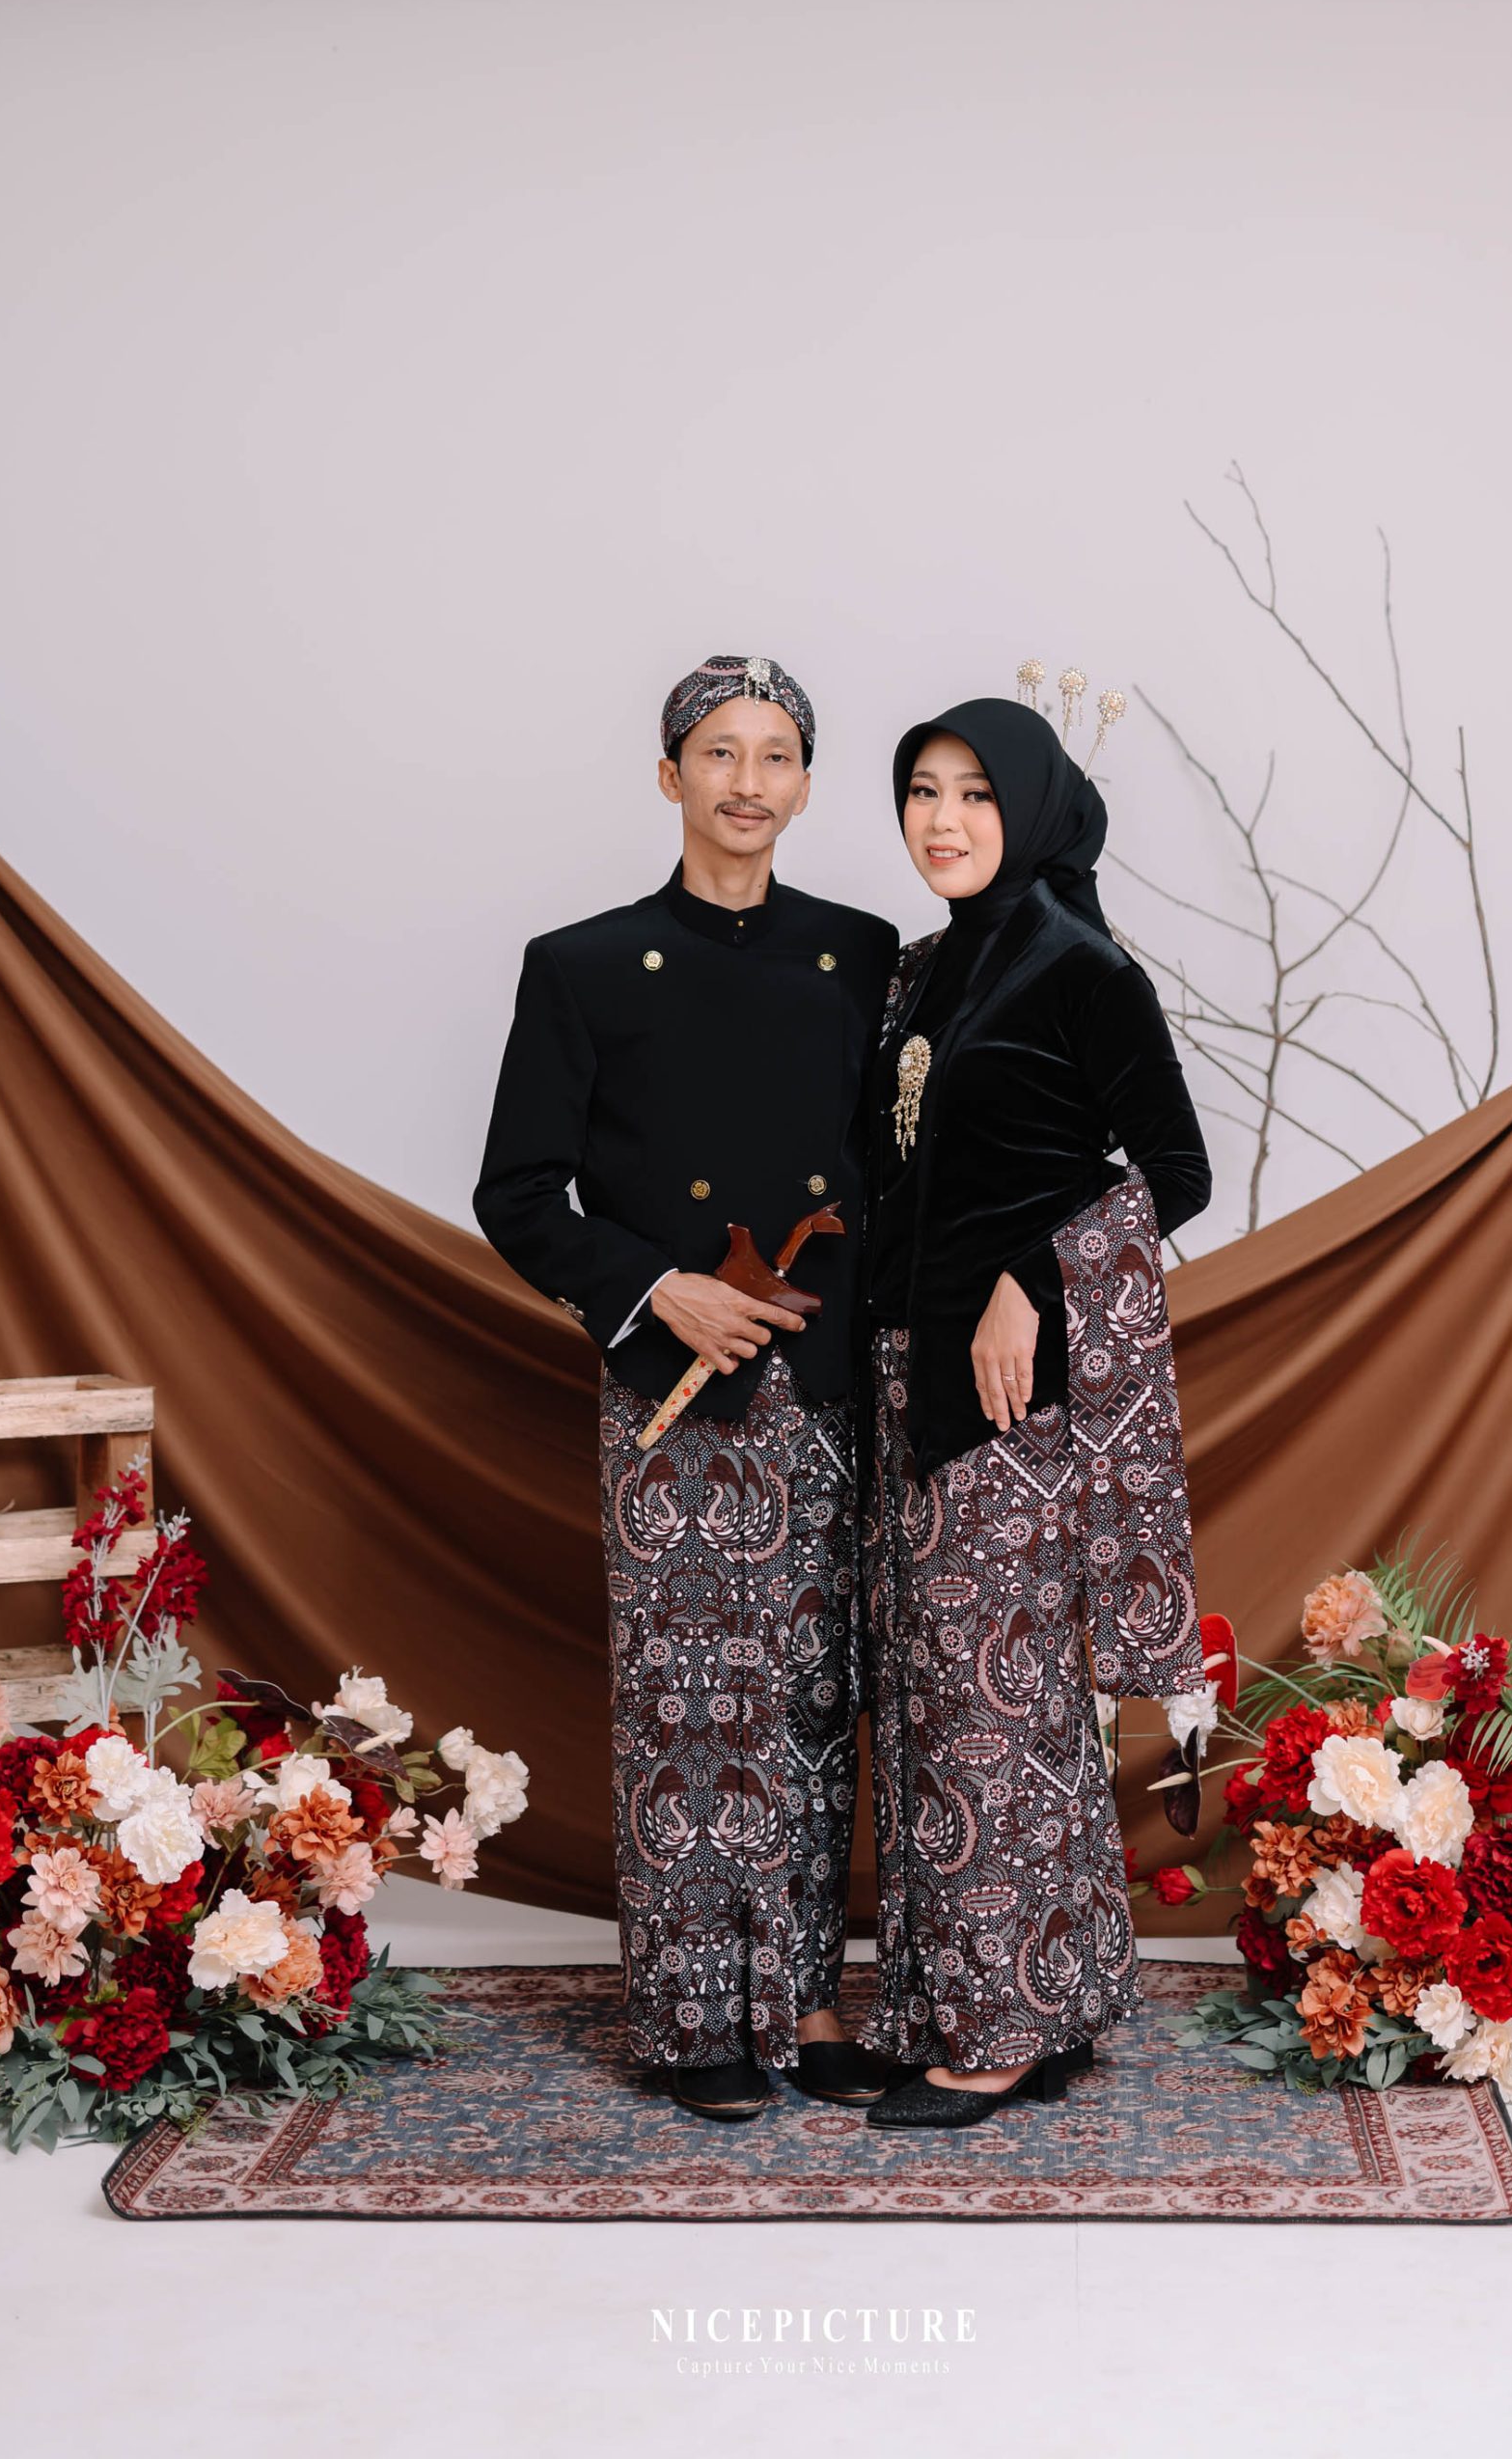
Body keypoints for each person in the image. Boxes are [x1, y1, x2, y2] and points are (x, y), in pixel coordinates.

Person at [473, 654, 897, 2121]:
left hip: (829, 1378)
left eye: (776, 756)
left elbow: (893, 1170)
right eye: (720, 752)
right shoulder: (583, 965)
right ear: (671, 775)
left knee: (813, 1699)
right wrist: (659, 1288)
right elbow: (517, 1193)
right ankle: (698, 2017)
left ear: (804, 785)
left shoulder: (862, 954)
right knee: (688, 1704)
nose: (746, 782)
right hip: (676, 1388)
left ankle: (810, 1999)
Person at [857, 697, 1217, 2129]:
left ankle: (1000, 2032)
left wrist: (1032, 1280)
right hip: (904, 1376)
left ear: (1035, 807)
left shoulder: (1081, 967)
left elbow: (1175, 1172)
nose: (942, 820)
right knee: (937, 1706)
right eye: (922, 791)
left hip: (1008, 1404)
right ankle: (1024, 2003)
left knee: (993, 1713)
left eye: (975, 793)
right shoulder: (923, 969)